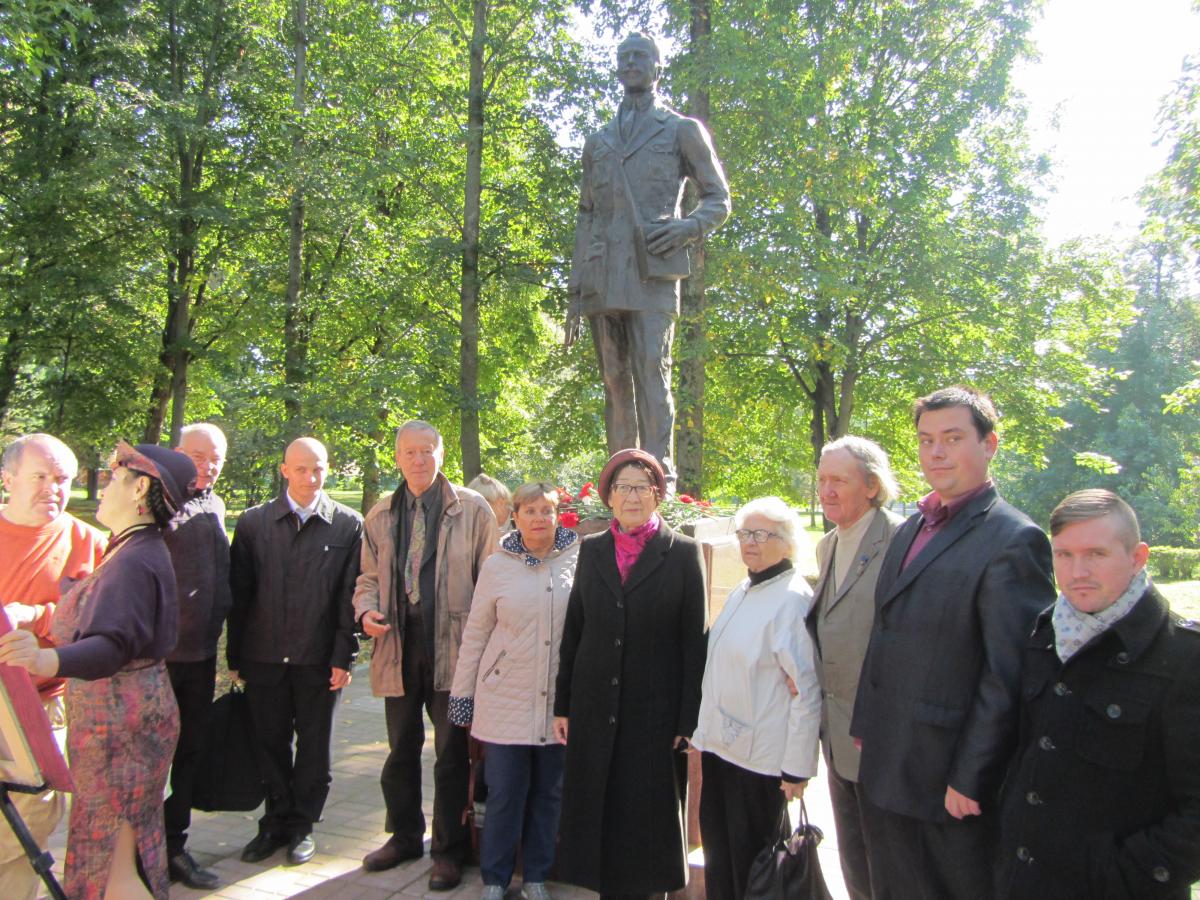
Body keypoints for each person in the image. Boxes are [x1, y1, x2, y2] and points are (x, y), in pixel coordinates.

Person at [850, 386, 1056, 899]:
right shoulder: (912, 526)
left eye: (952, 438)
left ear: (989, 445)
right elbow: (885, 630)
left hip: (945, 783)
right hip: (885, 761)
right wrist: (864, 725)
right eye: (925, 440)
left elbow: (1008, 675)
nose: (935, 452)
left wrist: (971, 777)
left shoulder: (1014, 540)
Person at [0, 440, 195, 900]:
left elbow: (112, 644)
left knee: (114, 867)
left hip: (120, 730)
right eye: (41, 477)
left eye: (112, 477)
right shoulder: (129, 549)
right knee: (114, 862)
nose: (101, 487)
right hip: (118, 724)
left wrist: (46, 658)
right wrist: (33, 617)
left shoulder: (132, 557)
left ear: (140, 488)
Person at [997, 490, 1200, 899]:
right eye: (1064, 555)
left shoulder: (1183, 657)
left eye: (1096, 554)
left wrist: (1127, 872)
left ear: (1138, 557)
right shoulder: (1045, 634)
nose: (1077, 571)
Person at [565, 32, 730, 484]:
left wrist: (684, 228)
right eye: (624, 57)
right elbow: (585, 214)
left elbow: (719, 200)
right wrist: (576, 288)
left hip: (654, 270)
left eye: (640, 56)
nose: (631, 62)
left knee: (652, 375)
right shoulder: (598, 141)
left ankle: (659, 479)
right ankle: (621, 478)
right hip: (603, 275)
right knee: (615, 383)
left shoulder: (681, 129)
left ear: (659, 68)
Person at [552, 448, 708, 898]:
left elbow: (693, 643)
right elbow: (575, 631)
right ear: (609, 498)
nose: (633, 496)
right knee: (600, 821)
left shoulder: (681, 554)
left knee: (646, 824)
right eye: (623, 487)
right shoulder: (593, 550)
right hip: (594, 707)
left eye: (642, 486)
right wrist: (564, 705)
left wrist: (687, 720)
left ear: (658, 495)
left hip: (653, 716)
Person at [355, 421, 495, 889]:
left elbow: (492, 583)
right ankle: (404, 836)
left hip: (454, 652)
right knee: (401, 748)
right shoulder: (380, 515)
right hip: (399, 647)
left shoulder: (472, 512)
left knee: (451, 754)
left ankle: (448, 850)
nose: (419, 460)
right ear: (397, 458)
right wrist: (366, 611)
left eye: (427, 451)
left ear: (441, 454)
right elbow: (368, 579)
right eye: (410, 452)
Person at [228, 437, 363, 866]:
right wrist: (236, 658)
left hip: (319, 659)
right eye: (301, 468)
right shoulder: (253, 524)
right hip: (264, 657)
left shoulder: (347, 525)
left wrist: (345, 656)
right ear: (284, 470)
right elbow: (240, 595)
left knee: (314, 749)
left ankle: (303, 824)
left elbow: (350, 597)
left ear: (328, 469)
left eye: (318, 468)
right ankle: (275, 822)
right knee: (268, 744)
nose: (310, 477)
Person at [448, 482, 580, 900]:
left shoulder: (578, 560)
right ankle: (495, 879)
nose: (540, 518)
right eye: (531, 511)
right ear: (515, 516)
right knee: (505, 795)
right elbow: (476, 633)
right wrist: (461, 696)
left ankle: (536, 877)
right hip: (504, 700)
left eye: (548, 510)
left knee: (548, 795)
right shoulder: (497, 565)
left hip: (557, 704)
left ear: (558, 515)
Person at [691, 496, 821, 900]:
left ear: (787, 542)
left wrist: (796, 770)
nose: (750, 542)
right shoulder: (745, 588)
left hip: (761, 762)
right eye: (745, 533)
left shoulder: (792, 599)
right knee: (720, 857)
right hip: (720, 750)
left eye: (762, 534)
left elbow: (807, 691)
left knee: (755, 868)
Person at [0, 433, 105, 900]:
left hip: (42, 706)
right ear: (8, 479)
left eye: (62, 478)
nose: (53, 488)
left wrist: (35, 616)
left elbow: (98, 622)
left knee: (31, 821)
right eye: (40, 476)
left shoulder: (89, 543)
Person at [808, 436, 903, 900]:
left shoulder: (903, 542)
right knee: (855, 869)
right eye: (822, 479)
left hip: (882, 742)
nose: (826, 489)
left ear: (871, 485)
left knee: (889, 870)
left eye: (838, 480)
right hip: (836, 736)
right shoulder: (827, 546)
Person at [162, 423, 231, 888]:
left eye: (215, 459)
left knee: (188, 754)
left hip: (201, 657)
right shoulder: (156, 502)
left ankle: (174, 847)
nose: (206, 466)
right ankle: (137, 852)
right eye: (197, 456)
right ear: (175, 454)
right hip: (155, 659)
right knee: (152, 759)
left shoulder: (215, 504)